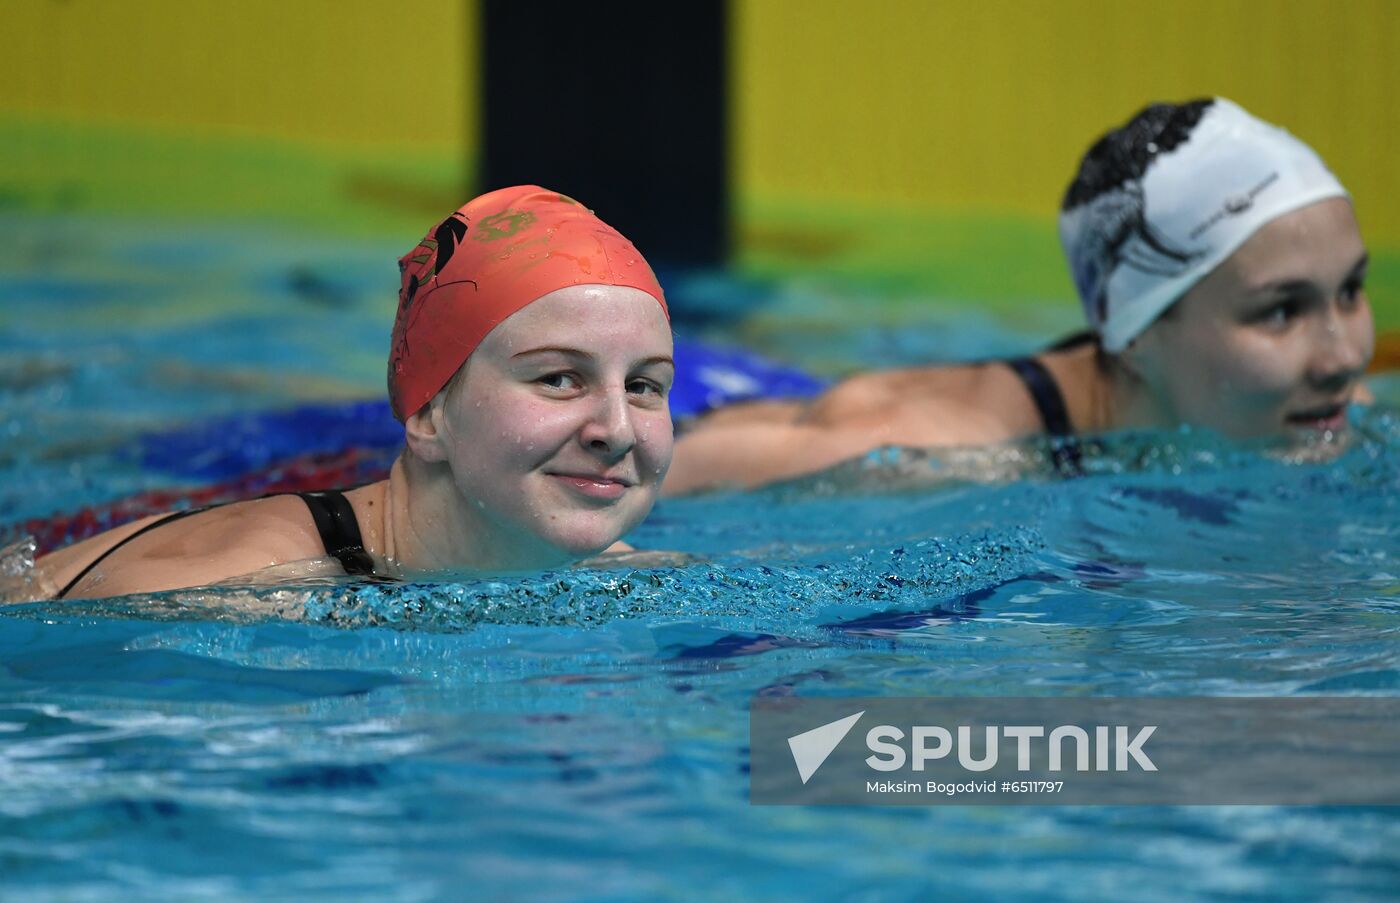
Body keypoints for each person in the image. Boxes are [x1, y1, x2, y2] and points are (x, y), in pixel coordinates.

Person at [664, 98, 1374, 494]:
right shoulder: (922, 455)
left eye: (1351, 291)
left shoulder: (1317, 404)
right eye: (1282, 310)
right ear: (1135, 332)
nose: (1343, 356)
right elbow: (631, 486)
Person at [31, 186, 675, 600]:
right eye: (558, 378)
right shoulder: (225, 598)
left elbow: (778, 760)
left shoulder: (628, 579)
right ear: (427, 411)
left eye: (644, 385)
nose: (616, 429)